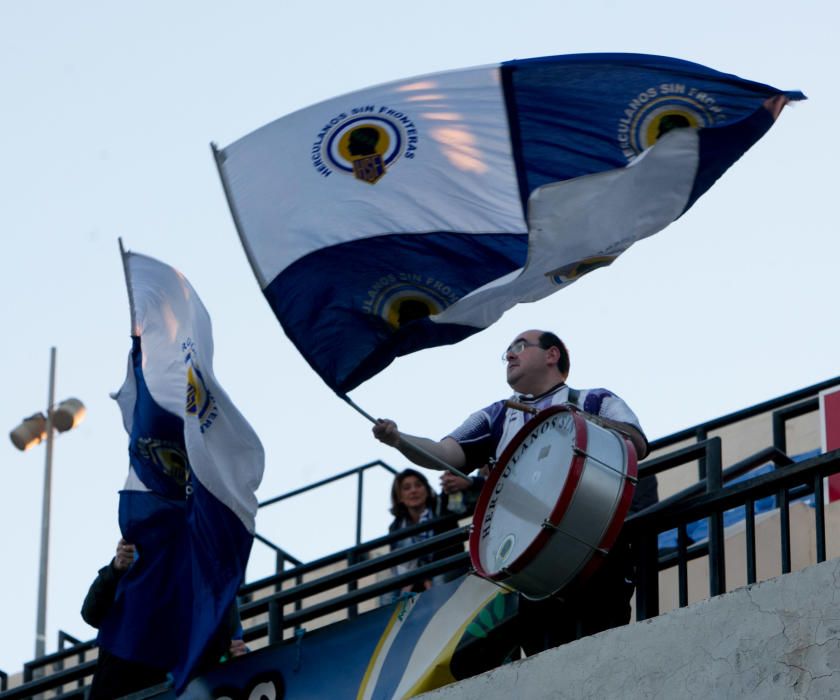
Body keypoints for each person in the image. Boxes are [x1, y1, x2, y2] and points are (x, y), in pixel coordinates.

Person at [373, 329, 657, 655]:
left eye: (520, 347)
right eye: (507, 351)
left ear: (552, 355)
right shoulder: (495, 416)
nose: (509, 355)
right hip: (530, 568)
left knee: (606, 652)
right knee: (546, 664)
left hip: (596, 553)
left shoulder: (595, 399)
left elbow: (636, 441)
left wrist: (574, 419)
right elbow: (444, 454)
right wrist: (399, 440)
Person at [82, 538, 248, 699]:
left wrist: (235, 653)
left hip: (174, 689)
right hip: (120, 688)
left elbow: (231, 643)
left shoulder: (209, 583)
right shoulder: (131, 567)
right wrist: (116, 569)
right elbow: (91, 613)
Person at [382, 468, 466, 604]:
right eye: (406, 488)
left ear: (427, 489)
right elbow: (399, 562)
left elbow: (452, 550)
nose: (413, 491)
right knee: (387, 589)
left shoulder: (442, 507)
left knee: (439, 578)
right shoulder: (396, 527)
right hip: (415, 578)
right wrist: (420, 577)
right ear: (399, 497)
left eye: (418, 485)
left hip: (447, 569)